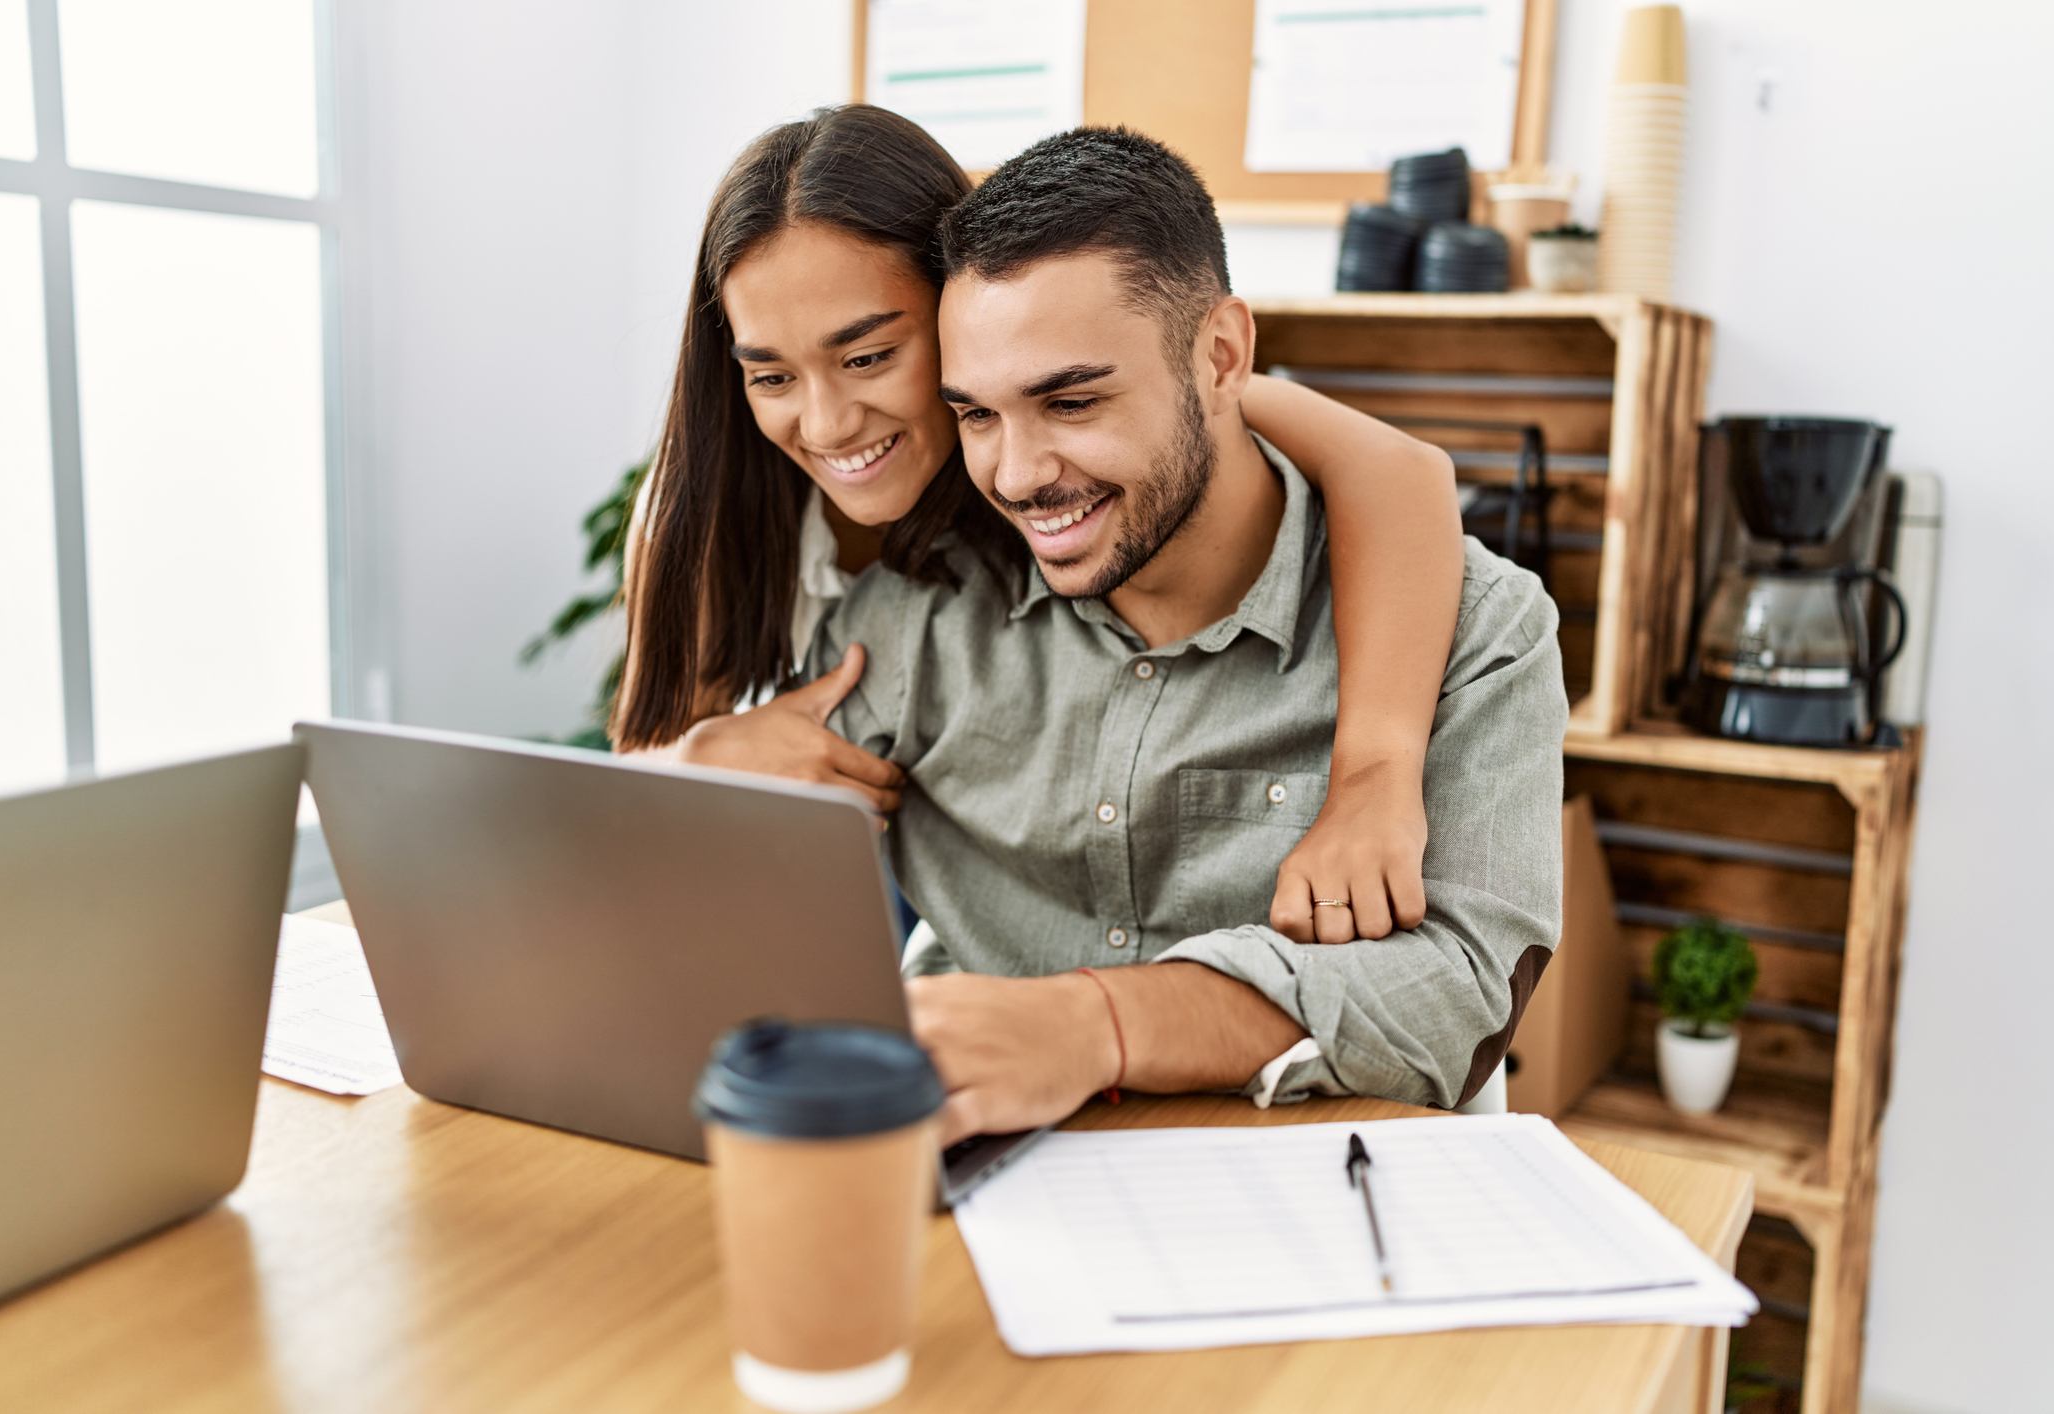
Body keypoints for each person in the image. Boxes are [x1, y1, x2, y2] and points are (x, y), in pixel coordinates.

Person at [792, 127, 1569, 1144]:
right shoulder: (915, 617)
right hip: (992, 1203)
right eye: (976, 414)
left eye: (1070, 400)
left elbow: (1459, 996)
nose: (1017, 474)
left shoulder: (1478, 629)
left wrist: (1097, 1023)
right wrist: (707, 779)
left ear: (1221, 355)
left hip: (1327, 1205)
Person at [610, 105, 1465, 943]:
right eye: (771, 376)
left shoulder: (1086, 417)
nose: (828, 424)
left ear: (959, 308)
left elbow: (1400, 472)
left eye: (869, 356)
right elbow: (626, 807)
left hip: (1006, 807)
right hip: (846, 820)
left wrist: (1374, 775)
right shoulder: (704, 517)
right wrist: (700, 766)